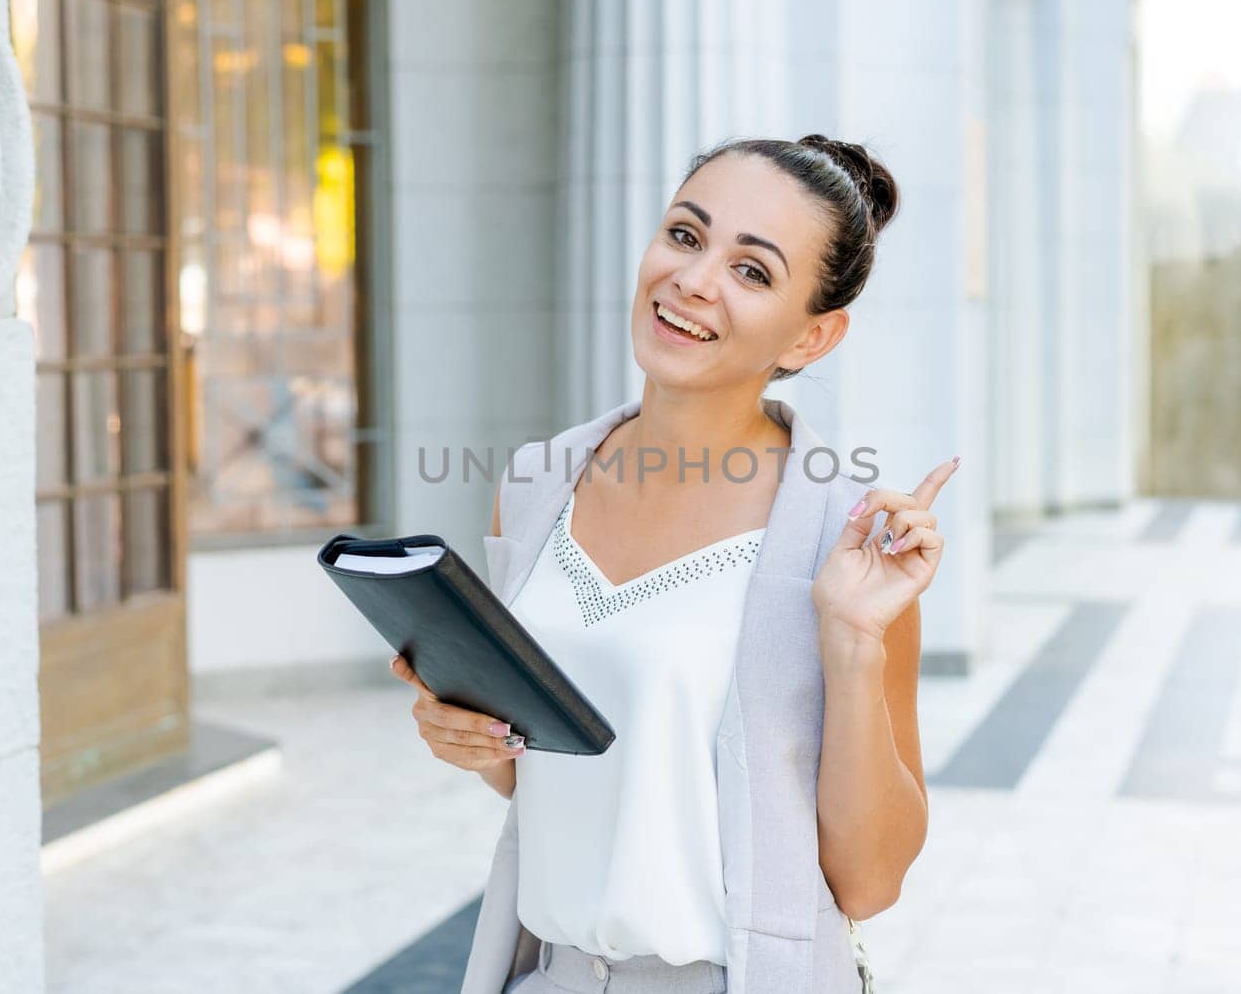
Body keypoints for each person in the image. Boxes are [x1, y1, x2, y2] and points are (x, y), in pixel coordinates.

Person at [391, 134, 957, 993]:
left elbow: (870, 880)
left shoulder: (841, 542)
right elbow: (554, 771)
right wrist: (469, 734)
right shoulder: (540, 482)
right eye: (686, 236)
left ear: (813, 336)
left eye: (753, 270)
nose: (693, 280)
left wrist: (851, 640)